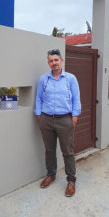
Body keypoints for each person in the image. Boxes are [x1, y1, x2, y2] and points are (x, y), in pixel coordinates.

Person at [35, 48, 81, 197]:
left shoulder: (70, 78)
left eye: (56, 60)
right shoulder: (44, 79)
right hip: (46, 119)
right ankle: (51, 175)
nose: (54, 63)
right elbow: (39, 98)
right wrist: (39, 115)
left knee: (68, 151)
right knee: (49, 150)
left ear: (61, 61)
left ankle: (71, 180)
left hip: (65, 120)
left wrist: (74, 118)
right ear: (48, 63)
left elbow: (76, 99)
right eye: (51, 61)